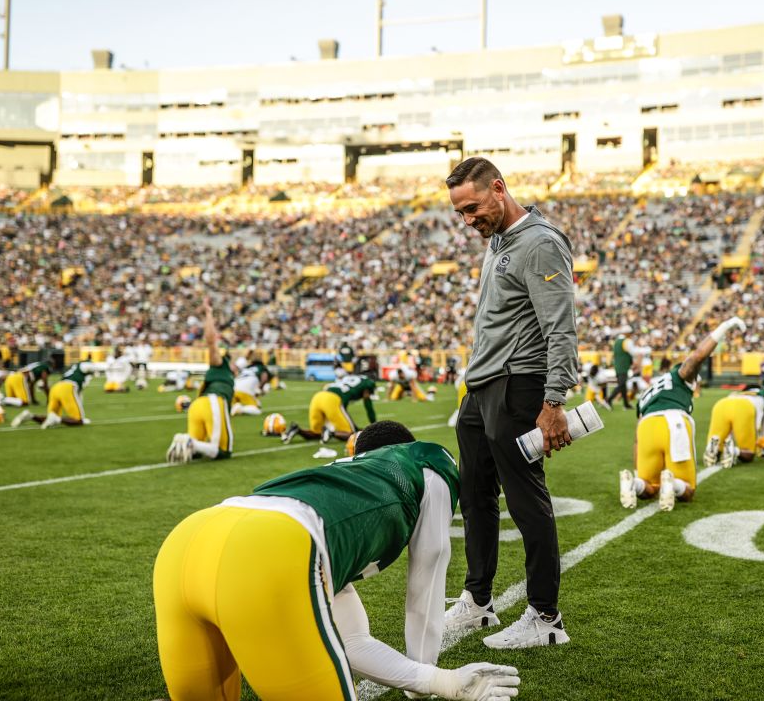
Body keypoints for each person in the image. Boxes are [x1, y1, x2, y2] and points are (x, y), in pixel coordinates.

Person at [153, 420, 522, 701]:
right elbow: (430, 567)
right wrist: (425, 672)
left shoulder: (336, 479)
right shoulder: (424, 462)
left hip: (186, 543)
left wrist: (441, 682)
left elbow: (351, 643)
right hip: (273, 547)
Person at [443, 157, 580, 649]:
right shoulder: (500, 240)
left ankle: (545, 617)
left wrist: (554, 400)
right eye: (460, 212)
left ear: (498, 189)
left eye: (473, 208)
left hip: (518, 385)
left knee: (526, 500)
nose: (468, 220)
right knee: (474, 496)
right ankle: (478, 602)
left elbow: (560, 325)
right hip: (482, 389)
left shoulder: (540, 242)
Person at [619, 317, 745, 512]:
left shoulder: (647, 393)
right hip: (673, 421)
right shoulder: (678, 377)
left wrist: (637, 467)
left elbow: (636, 439)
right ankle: (674, 484)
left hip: (646, 427)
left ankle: (633, 484)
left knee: (649, 485)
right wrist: (724, 327)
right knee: (688, 489)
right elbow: (697, 356)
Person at [166, 297, 237, 464]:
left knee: (197, 452)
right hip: (211, 402)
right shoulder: (221, 364)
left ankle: (190, 444)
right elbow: (211, 341)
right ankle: (189, 441)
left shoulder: (223, 373)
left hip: (198, 405)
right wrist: (209, 313)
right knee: (222, 451)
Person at [283, 372, 378, 445]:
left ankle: (297, 429)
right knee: (352, 434)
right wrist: (374, 423)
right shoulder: (367, 383)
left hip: (318, 396)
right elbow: (368, 404)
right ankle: (330, 432)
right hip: (332, 400)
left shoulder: (350, 378)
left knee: (317, 433)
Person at [10, 361, 92, 429]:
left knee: (50, 418)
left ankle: (30, 416)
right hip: (66, 388)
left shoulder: (37, 366)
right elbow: (44, 382)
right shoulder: (45, 367)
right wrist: (47, 396)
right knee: (78, 420)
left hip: (55, 388)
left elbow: (32, 384)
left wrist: (36, 399)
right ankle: (57, 419)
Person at [605, 328, 649, 410]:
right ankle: (608, 400)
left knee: (623, 386)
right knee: (621, 384)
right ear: (626, 333)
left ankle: (626, 404)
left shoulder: (617, 341)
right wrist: (641, 352)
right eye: (630, 333)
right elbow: (633, 352)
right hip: (623, 367)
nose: (631, 335)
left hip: (618, 366)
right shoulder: (626, 341)